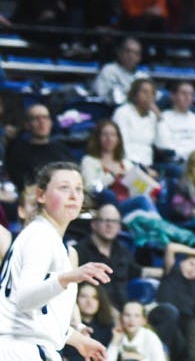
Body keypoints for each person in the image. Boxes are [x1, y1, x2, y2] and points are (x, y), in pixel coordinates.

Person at [0, 162, 113, 361]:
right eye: (64, 188)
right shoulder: (41, 237)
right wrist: (67, 278)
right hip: (23, 350)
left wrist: (77, 338)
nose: (73, 195)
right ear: (41, 195)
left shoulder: (47, 237)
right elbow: (23, 299)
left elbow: (36, 316)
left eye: (78, 189)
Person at [5, 103, 75, 191]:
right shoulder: (18, 152)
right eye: (36, 118)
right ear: (27, 125)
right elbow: (23, 185)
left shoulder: (61, 148)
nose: (42, 122)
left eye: (45, 117)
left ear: (51, 123)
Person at [80, 119, 136, 202]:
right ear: (98, 138)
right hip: (102, 204)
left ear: (118, 139)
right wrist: (113, 176)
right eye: (105, 134)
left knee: (144, 199)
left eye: (113, 135)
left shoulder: (126, 163)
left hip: (126, 203)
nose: (109, 138)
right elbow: (90, 188)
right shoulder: (89, 161)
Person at [112, 78, 163, 168]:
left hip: (148, 164)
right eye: (144, 92)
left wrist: (159, 118)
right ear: (134, 95)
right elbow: (120, 145)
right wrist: (135, 166)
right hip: (126, 163)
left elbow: (162, 144)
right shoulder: (122, 113)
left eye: (152, 93)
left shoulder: (153, 116)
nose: (148, 96)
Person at [159, 80, 195, 160]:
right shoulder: (163, 118)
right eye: (184, 94)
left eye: (191, 94)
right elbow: (164, 147)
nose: (188, 98)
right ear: (173, 96)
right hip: (179, 161)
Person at [64, 284, 116, 361]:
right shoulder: (65, 326)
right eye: (84, 296)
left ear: (100, 301)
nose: (89, 301)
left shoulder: (108, 328)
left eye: (94, 297)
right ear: (75, 299)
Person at [93, 37, 149, 106]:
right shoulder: (109, 70)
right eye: (128, 51)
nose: (131, 56)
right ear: (119, 52)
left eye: (136, 53)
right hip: (110, 111)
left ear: (140, 58)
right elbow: (100, 95)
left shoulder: (143, 77)